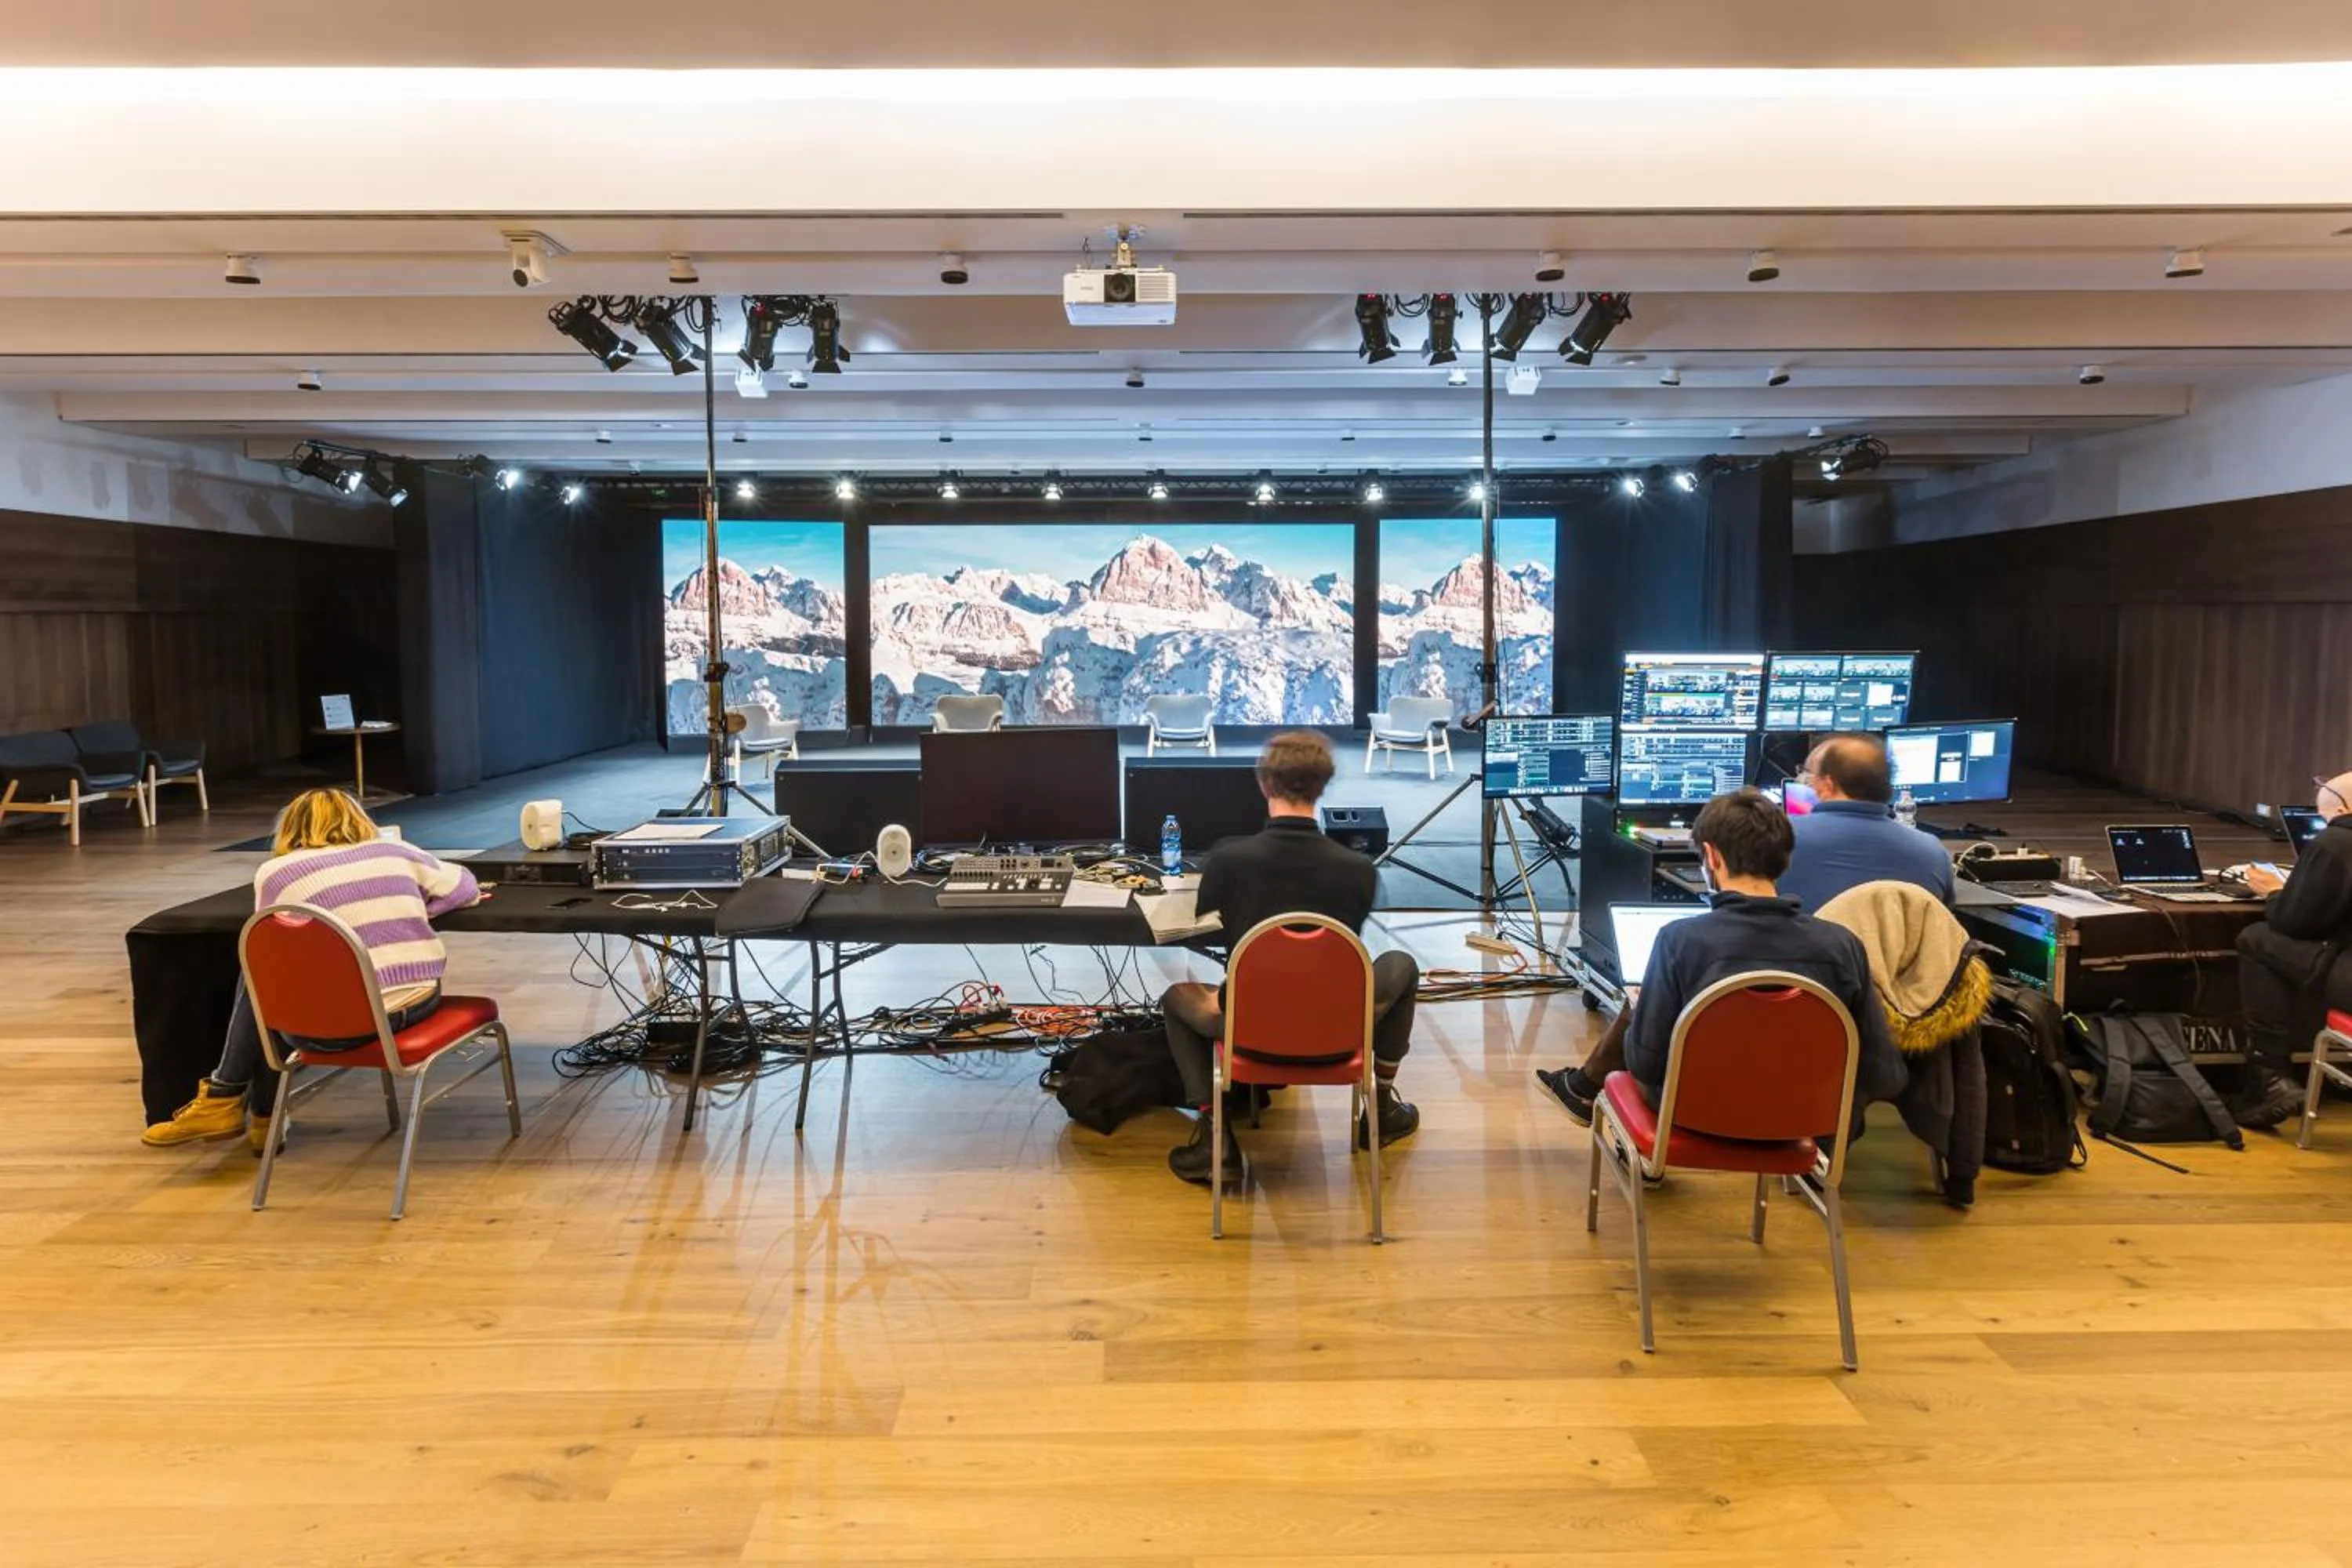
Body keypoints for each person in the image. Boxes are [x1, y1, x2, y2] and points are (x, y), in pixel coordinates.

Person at [1537, 787, 1905, 1127]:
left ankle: (1589, 1099)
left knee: (1642, 1011)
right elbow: (1884, 1073)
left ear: (1710, 856)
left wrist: (1642, 1012)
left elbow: (1645, 1063)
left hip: (1695, 1115)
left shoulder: (1680, 941)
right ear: (1787, 859)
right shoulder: (1843, 945)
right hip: (1807, 1120)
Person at [142, 789, 484, 1151]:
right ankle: (253, 1114)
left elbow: (275, 942)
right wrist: (427, 909)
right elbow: (466, 886)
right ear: (361, 820)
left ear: (289, 828)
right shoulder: (398, 852)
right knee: (266, 978)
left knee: (263, 975)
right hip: (410, 1008)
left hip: (327, 1029)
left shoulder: (275, 873)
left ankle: (236, 1102)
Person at [1160, 731, 1420, 1186]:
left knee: (1177, 998)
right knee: (1401, 964)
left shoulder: (1228, 860)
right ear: (1323, 787)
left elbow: (1206, 920)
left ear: (1264, 785)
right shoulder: (1360, 872)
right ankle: (1380, 1108)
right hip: (1339, 1030)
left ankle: (1214, 1136)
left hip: (1248, 1026)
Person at [2231, 770, 2352, 1128]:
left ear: (2342, 809)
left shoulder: (2337, 842)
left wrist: (2273, 891)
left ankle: (2271, 1077)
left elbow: (2295, 923)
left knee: (2257, 939)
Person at [1777, 732, 1955, 913]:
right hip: (1898, 942)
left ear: (1828, 784)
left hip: (1806, 941)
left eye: (1807, 773)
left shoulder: (1779, 838)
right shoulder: (1933, 852)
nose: (1802, 780)